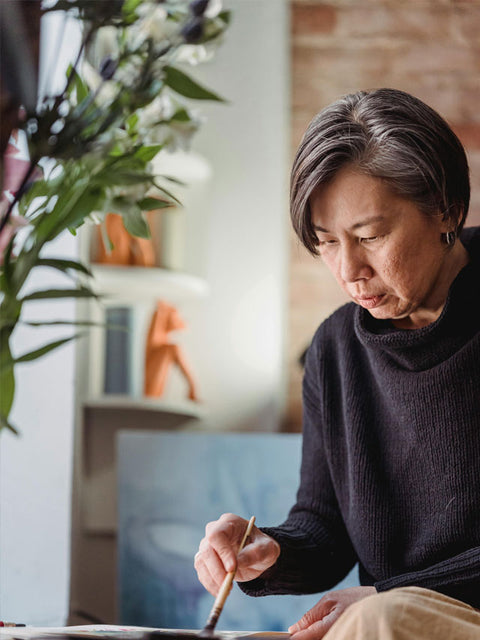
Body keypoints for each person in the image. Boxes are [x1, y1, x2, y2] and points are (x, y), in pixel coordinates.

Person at [193, 88, 480, 639]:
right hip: (389, 619)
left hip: (404, 619)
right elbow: (324, 530)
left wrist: (388, 597)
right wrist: (267, 549)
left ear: (444, 207)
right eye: (325, 242)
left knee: (378, 622)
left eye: (371, 236)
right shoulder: (334, 351)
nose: (349, 270)